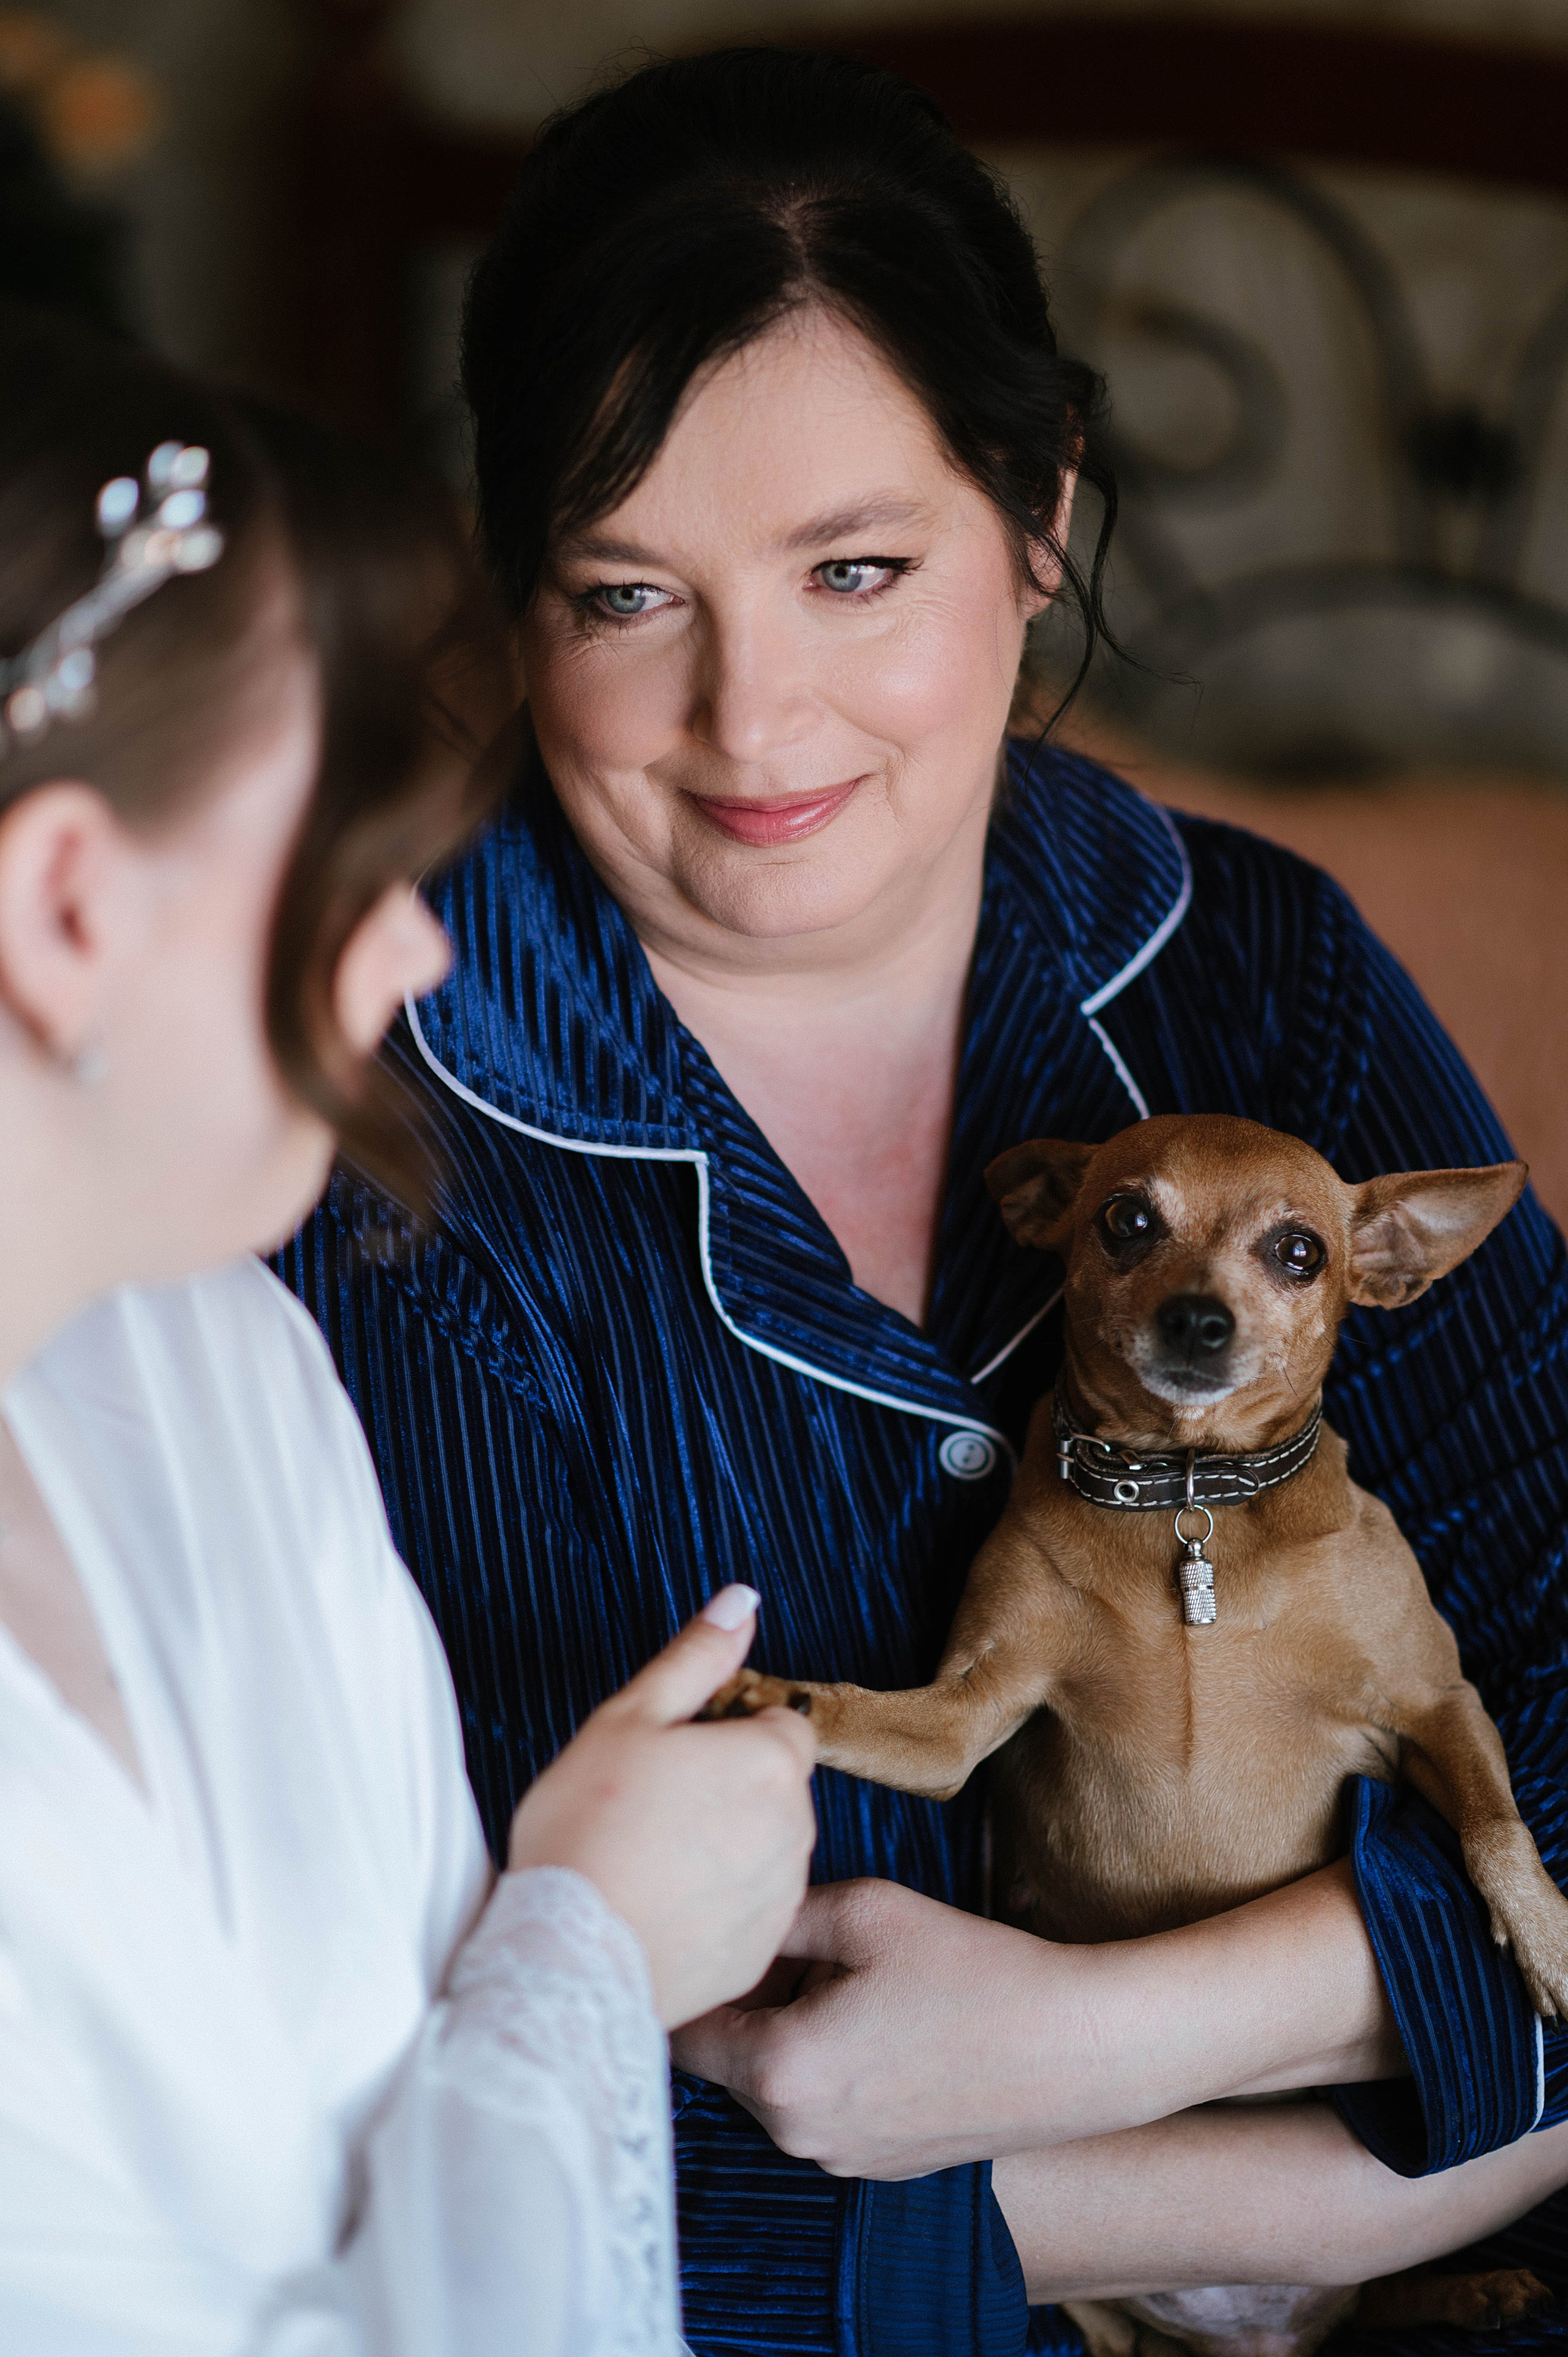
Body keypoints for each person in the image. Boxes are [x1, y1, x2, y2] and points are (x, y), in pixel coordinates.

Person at [280, 47, 1568, 2357]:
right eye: (625, 593)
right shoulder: (373, 1151)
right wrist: (1398, 2143)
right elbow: (478, 2116)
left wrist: (1127, 2068)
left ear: (1040, 518)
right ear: (510, 588)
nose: (755, 723)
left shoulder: (1260, 970)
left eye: (856, 569)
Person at [0, 301, 818, 2355]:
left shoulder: (215, 1358)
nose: (421, 943)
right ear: (67, 910)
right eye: (353, 858)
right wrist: (593, 1953)